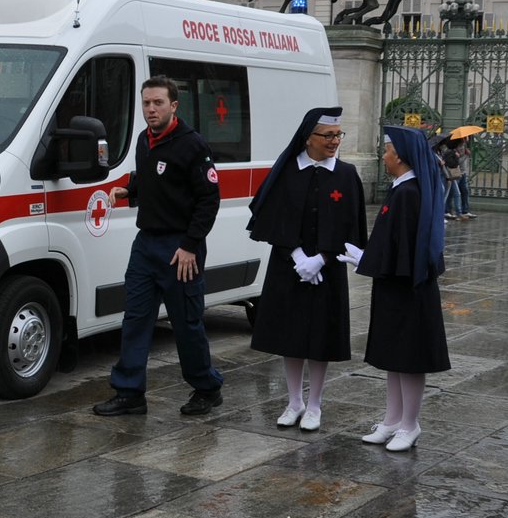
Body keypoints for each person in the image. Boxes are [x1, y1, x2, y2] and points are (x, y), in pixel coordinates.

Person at [93, 75, 225, 417]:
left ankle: (207, 388)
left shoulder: (193, 145)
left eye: (158, 103)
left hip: (180, 249)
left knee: (186, 324)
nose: (151, 109)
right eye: (146, 103)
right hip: (146, 246)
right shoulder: (143, 140)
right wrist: (130, 191)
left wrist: (190, 246)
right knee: (135, 319)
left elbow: (208, 200)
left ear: (173, 106)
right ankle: (130, 392)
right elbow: (152, 180)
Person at [246, 107, 366, 431]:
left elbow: (350, 226)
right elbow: (274, 220)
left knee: (320, 337)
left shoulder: (345, 175)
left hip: (326, 271)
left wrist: (322, 259)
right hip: (290, 267)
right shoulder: (288, 171)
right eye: (327, 136)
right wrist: (298, 256)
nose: (334, 141)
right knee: (291, 336)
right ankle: (294, 401)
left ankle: (315, 405)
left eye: (338, 135)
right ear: (308, 138)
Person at [339, 126, 450, 452]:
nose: (383, 155)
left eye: (386, 150)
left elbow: (404, 249)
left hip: (408, 288)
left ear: (399, 156)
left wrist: (366, 260)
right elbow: (391, 242)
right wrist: (368, 257)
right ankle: (392, 420)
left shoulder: (409, 193)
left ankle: (410, 424)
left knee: (409, 358)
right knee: (394, 357)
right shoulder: (401, 189)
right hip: (396, 286)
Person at [443, 136, 475, 220]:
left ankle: (464, 211)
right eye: (466, 137)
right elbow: (456, 162)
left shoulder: (464, 145)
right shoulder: (453, 149)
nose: (467, 138)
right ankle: (449, 211)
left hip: (462, 172)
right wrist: (465, 156)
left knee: (464, 191)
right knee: (453, 193)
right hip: (455, 173)